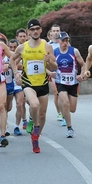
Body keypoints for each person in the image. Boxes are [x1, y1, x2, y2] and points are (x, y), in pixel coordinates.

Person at [10, 18, 57, 153]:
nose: (35, 31)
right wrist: (16, 74)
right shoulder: (22, 47)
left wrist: (49, 61)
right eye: (32, 29)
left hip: (42, 83)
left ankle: (35, 137)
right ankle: (33, 122)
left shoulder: (47, 46)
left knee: (42, 116)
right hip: (28, 83)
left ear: (41, 30)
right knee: (34, 105)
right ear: (28, 32)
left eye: (37, 29)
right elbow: (13, 60)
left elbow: (55, 66)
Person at [51, 32, 86, 137]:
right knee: (65, 102)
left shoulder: (74, 51)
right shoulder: (54, 52)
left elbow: (83, 65)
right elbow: (48, 66)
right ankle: (69, 128)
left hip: (73, 83)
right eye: (63, 41)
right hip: (60, 82)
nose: (65, 43)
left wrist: (82, 75)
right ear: (58, 41)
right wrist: (50, 73)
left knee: (72, 109)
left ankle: (63, 108)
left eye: (67, 41)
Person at [47, 24, 63, 122]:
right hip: (52, 73)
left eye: (58, 30)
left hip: (63, 72)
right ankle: (59, 113)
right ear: (51, 33)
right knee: (56, 92)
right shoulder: (48, 46)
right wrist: (48, 72)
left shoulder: (64, 43)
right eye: (54, 31)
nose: (56, 32)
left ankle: (64, 109)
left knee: (63, 93)